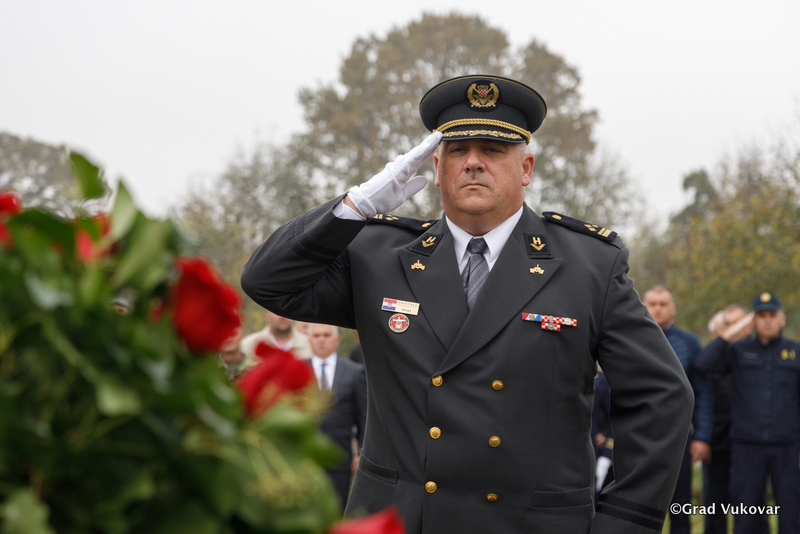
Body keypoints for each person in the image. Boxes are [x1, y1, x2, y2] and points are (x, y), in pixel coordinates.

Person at [241, 74, 693, 533]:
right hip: (401, 521)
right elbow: (269, 282)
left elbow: (661, 395)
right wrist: (356, 205)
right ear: (436, 168)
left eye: (492, 150)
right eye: (458, 150)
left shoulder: (588, 265)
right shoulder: (377, 255)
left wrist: (621, 523)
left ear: (526, 169)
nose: (473, 162)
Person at [696, 293, 800, 534]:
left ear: (782, 318)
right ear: (753, 321)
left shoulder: (795, 352)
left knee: (791, 513)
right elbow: (703, 364)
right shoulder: (738, 351)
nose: (767, 320)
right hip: (747, 446)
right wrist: (731, 332)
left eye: (772, 315)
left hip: (787, 446)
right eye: (761, 315)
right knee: (746, 512)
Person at [642, 286, 712, 534]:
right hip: (640, 437)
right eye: (652, 303)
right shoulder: (632, 338)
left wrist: (702, 437)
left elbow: (703, 393)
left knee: (680, 505)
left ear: (672, 308)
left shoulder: (689, 343)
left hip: (679, 438)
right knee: (640, 504)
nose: (658, 308)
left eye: (663, 303)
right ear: (643, 306)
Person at [701, 304, 759, 534]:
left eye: (739, 323)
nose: (734, 328)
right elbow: (702, 364)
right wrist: (726, 337)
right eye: (728, 324)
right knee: (715, 507)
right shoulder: (717, 355)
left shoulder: (758, 352)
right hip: (719, 444)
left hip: (751, 444)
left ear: (749, 326)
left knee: (751, 509)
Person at [307, 323, 368, 510]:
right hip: (306, 458)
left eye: (326, 335)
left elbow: (364, 418)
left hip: (340, 457)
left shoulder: (354, 372)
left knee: (337, 509)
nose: (321, 340)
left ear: (336, 340)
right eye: (316, 335)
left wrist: (361, 453)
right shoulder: (297, 370)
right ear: (309, 340)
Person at [240, 309, 312, 365]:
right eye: (276, 311)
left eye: (287, 310)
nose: (282, 316)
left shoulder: (309, 344)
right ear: (266, 314)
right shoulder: (249, 345)